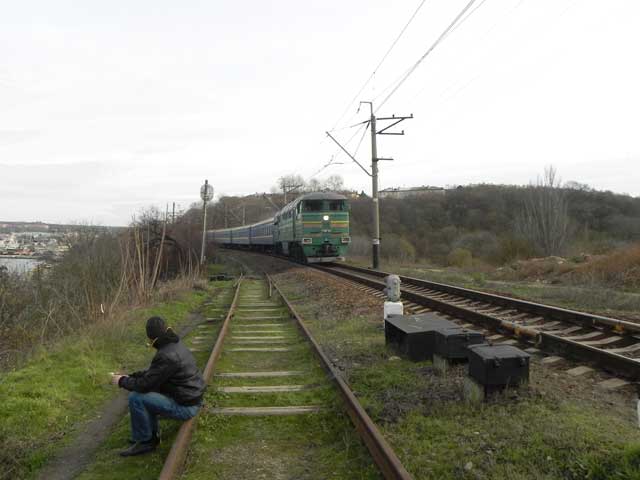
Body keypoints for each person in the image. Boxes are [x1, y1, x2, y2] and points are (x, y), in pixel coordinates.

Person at [111, 316, 206, 457]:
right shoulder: (175, 345)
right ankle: (147, 434)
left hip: (186, 407)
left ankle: (146, 442)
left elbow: (144, 385)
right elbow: (154, 374)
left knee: (136, 397)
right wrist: (130, 376)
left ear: (152, 339)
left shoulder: (166, 355)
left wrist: (121, 381)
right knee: (147, 394)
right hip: (190, 398)